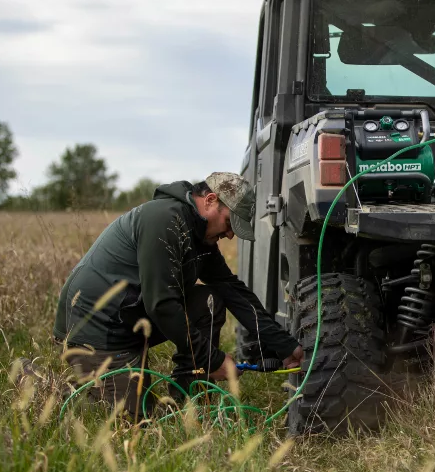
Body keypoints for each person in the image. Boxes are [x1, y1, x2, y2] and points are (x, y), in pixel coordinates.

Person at [52, 172, 303, 416]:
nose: (229, 234)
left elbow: (233, 291)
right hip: (97, 329)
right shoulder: (164, 220)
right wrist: (213, 360)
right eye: (229, 223)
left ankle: (188, 403)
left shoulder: (200, 237)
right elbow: (161, 305)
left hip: (131, 320)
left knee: (210, 300)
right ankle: (43, 386)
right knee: (136, 421)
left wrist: (283, 344)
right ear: (211, 200)